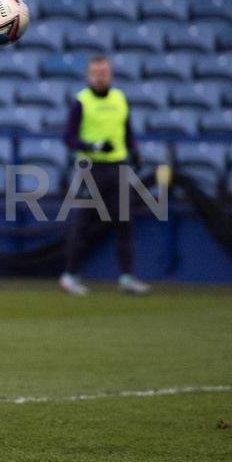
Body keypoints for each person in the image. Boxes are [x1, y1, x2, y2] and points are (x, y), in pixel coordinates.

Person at [59, 55, 150, 296]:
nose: (99, 77)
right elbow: (68, 137)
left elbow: (127, 130)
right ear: (88, 76)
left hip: (118, 168)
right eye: (95, 73)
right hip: (92, 169)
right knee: (82, 225)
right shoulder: (81, 102)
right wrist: (94, 146)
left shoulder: (120, 99)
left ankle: (126, 278)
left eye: (103, 73)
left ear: (111, 75)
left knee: (124, 224)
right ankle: (69, 276)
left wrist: (134, 151)